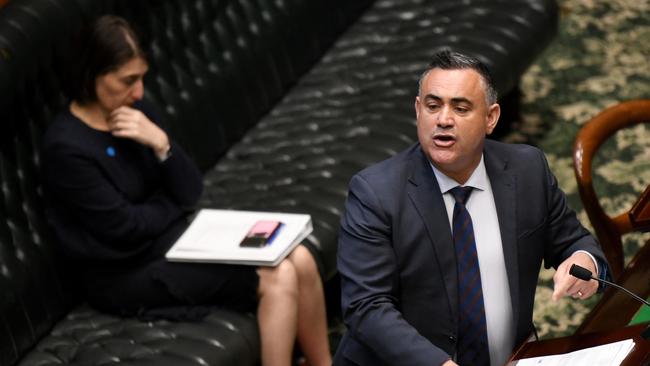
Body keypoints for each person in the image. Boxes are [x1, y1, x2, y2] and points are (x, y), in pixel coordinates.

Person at [41, 15, 331, 366]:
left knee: (298, 256)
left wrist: (161, 143)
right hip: (122, 273)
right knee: (279, 273)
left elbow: (190, 190)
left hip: (173, 240)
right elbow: (122, 229)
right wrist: (171, 208)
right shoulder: (66, 148)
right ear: (91, 76)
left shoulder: (136, 111)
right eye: (127, 81)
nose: (139, 91)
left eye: (142, 78)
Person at [333, 50, 610, 366]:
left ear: (491, 118)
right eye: (433, 106)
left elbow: (576, 243)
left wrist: (584, 262)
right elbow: (366, 306)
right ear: (417, 109)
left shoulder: (526, 169)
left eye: (461, 108)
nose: (443, 120)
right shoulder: (375, 193)